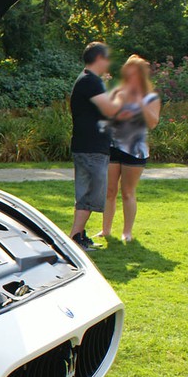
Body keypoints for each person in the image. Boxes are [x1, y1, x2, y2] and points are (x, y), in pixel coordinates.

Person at [98, 55, 161, 242]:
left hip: (135, 149)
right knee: (110, 191)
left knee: (127, 192)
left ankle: (127, 232)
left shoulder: (150, 97)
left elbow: (153, 123)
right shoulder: (119, 92)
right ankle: (106, 230)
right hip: (113, 145)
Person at [68, 42, 123, 251]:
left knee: (86, 193)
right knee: (90, 193)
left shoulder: (88, 80)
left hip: (87, 146)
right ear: (99, 58)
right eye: (107, 58)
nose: (109, 63)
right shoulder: (91, 81)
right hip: (91, 148)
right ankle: (75, 237)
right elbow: (110, 110)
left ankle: (79, 235)